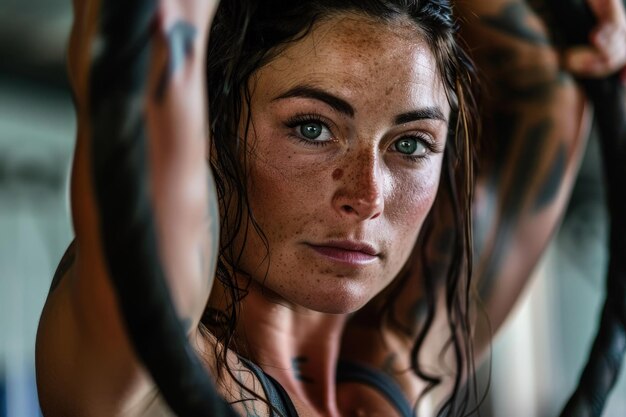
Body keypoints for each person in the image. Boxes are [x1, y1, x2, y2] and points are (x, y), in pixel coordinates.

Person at [34, 0, 626, 417]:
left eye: (411, 144)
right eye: (312, 128)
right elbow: (151, 32)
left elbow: (544, 74)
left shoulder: (403, 370)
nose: (368, 197)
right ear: (207, 134)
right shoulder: (137, 380)